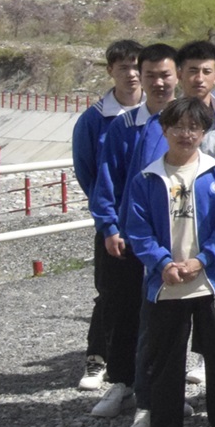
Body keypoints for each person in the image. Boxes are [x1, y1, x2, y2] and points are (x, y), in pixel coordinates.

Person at [121, 96, 215, 427]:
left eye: (194, 127)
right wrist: (162, 263)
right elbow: (138, 230)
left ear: (204, 132)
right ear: (164, 129)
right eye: (178, 126)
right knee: (165, 363)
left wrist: (201, 261)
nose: (186, 134)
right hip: (165, 285)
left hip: (213, 282)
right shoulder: (147, 177)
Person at [87, 42, 177, 427]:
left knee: (168, 320)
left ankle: (160, 394)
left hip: (176, 239)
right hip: (128, 239)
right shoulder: (124, 127)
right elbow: (104, 181)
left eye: (165, 75)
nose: (158, 82)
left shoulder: (191, 122)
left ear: (177, 77)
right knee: (123, 311)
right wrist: (109, 226)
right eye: (151, 74)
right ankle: (121, 382)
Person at [73, 39, 142, 395]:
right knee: (110, 293)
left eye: (136, 66)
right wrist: (109, 216)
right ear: (110, 71)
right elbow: (88, 172)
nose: (131, 75)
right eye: (123, 67)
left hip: (152, 224)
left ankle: (141, 369)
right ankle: (99, 359)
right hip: (113, 222)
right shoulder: (94, 119)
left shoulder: (161, 112)